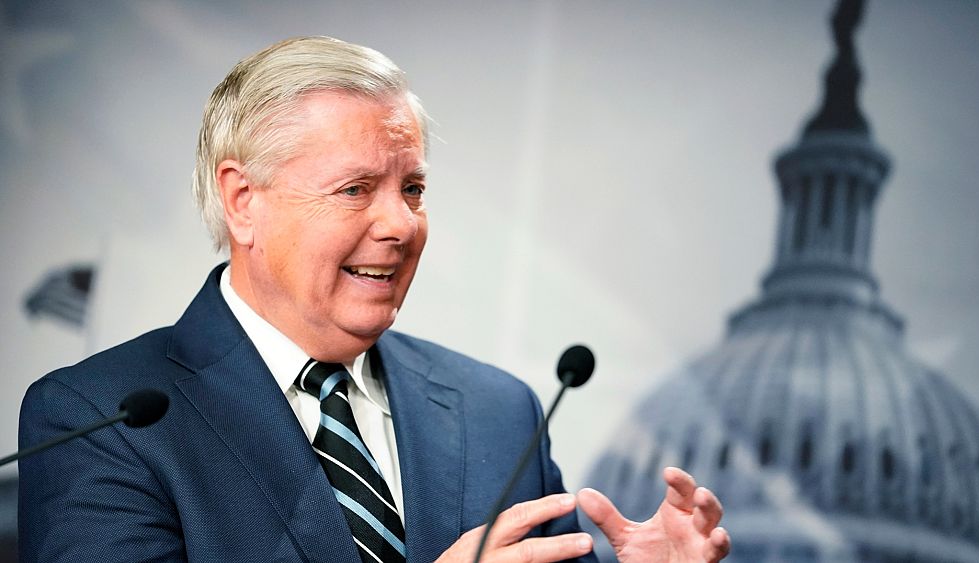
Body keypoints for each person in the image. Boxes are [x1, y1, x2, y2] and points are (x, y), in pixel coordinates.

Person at [18, 36, 729, 562]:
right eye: (355, 189)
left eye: (412, 189)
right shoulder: (99, 419)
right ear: (242, 200)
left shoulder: (498, 411)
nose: (401, 225)